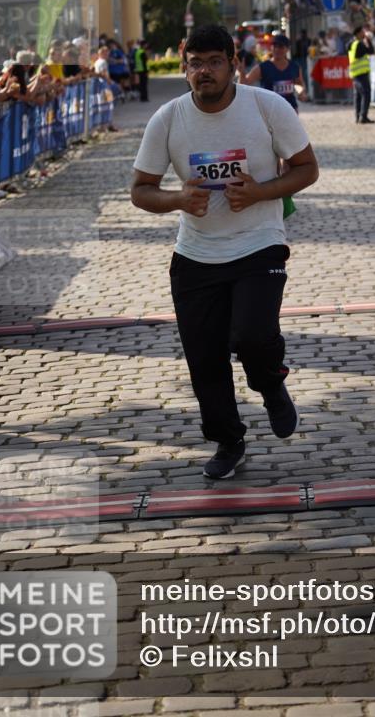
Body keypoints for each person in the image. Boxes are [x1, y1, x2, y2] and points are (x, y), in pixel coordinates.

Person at [131, 25, 319, 480]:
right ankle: (228, 439)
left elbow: (307, 168)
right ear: (184, 65)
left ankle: (271, 384)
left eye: (215, 61)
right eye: (195, 63)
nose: (204, 72)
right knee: (205, 359)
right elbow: (140, 190)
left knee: (253, 335)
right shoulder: (168, 119)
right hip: (196, 255)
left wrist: (260, 193)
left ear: (234, 64)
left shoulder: (266, 106)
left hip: (259, 243)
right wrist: (177, 199)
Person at [238, 33, 307, 111]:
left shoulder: (294, 67)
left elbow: (299, 84)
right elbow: (244, 83)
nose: (277, 49)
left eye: (281, 46)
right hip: (269, 112)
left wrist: (301, 92)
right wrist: (241, 72)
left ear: (287, 49)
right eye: (275, 46)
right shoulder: (263, 67)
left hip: (291, 110)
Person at [348, 24, 375, 125]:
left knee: (358, 96)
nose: (364, 34)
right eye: (363, 32)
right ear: (359, 33)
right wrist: (368, 40)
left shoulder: (351, 43)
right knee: (366, 95)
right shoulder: (359, 44)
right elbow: (371, 51)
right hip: (361, 73)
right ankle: (363, 117)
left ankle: (357, 116)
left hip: (354, 74)